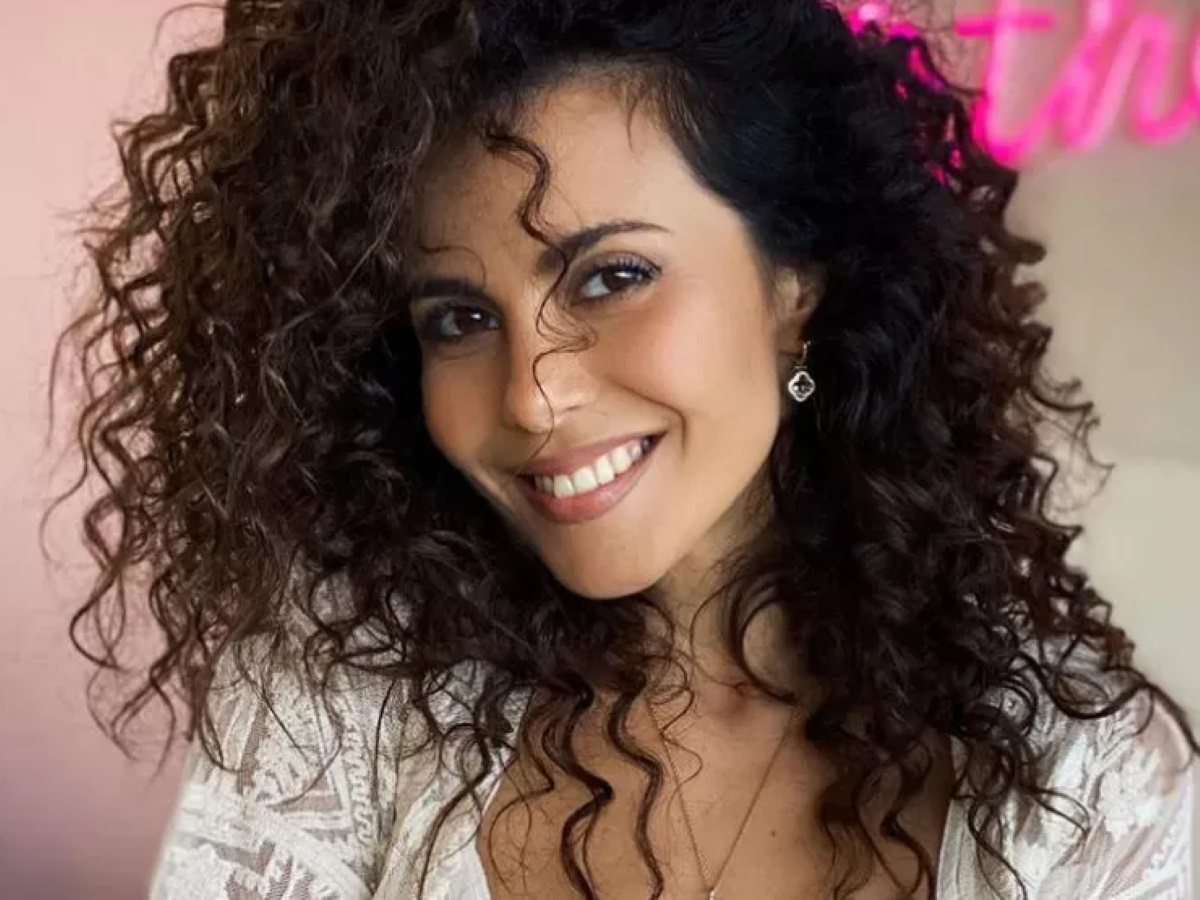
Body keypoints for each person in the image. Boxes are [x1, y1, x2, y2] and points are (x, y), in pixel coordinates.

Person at [49, 0, 1196, 897]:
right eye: (458, 316)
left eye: (611, 276)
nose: (533, 395)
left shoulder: (1085, 790)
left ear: (795, 284)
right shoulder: (338, 698)